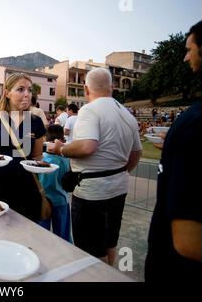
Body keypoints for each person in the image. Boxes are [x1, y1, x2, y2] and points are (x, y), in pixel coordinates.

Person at [48, 68, 142, 265]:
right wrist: (119, 174)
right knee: (109, 242)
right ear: (112, 87)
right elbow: (136, 154)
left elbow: (88, 146)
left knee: (90, 251)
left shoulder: (89, 110)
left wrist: (61, 150)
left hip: (92, 193)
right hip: (119, 188)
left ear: (85, 89)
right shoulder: (127, 114)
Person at [145, 20, 202, 282]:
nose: (185, 57)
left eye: (190, 49)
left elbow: (188, 242)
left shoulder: (193, 124)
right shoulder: (189, 126)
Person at [0, 73, 46, 222]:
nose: (27, 94)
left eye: (30, 90)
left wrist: (41, 165)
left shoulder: (36, 122)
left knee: (26, 240)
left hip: (27, 191)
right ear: (7, 93)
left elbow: (37, 156)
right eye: (21, 89)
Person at [38, 125, 72, 243]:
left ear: (45, 140)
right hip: (61, 201)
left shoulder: (41, 159)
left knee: (41, 235)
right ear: (62, 140)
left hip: (43, 202)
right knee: (63, 235)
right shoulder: (66, 160)